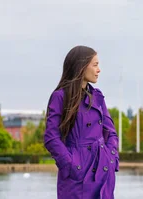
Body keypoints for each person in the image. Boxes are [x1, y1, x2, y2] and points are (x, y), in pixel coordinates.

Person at [44, 45, 119, 199]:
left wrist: (111, 157)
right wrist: (71, 164)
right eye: (95, 65)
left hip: (102, 169)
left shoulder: (97, 96)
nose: (99, 70)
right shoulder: (60, 97)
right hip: (76, 174)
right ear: (81, 67)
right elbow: (51, 138)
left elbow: (110, 131)